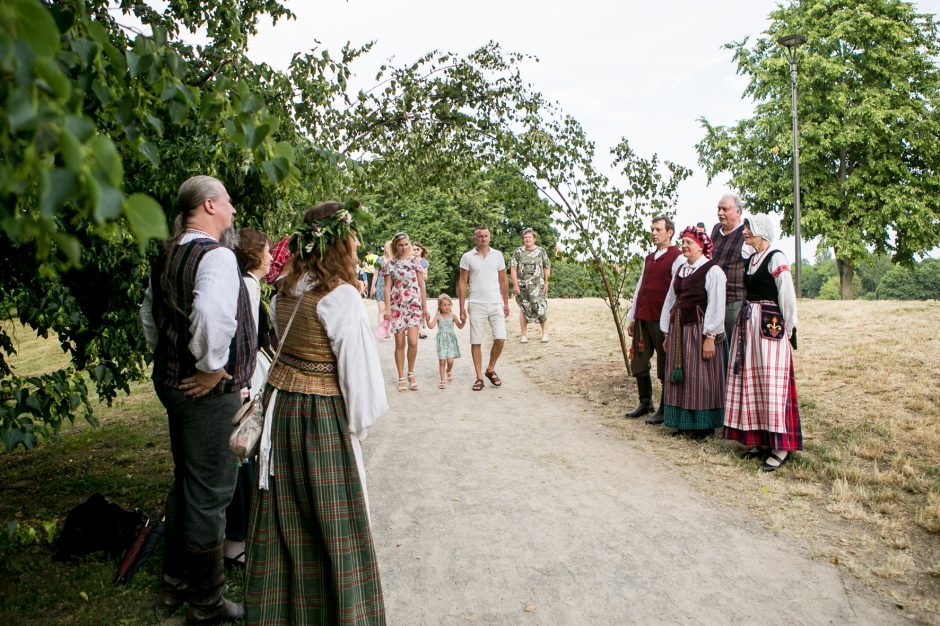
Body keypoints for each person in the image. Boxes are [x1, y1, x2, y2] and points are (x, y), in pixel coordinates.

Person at [245, 201, 387, 624]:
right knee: (333, 522)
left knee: (289, 520)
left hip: (282, 412)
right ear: (339, 241)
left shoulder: (285, 290)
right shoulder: (340, 297)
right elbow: (361, 387)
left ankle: (285, 612)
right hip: (320, 420)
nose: (358, 242)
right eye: (354, 235)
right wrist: (356, 431)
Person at [140, 175, 255, 623]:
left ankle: (175, 584)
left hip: (172, 386)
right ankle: (206, 603)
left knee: (187, 482)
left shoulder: (166, 252)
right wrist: (209, 368)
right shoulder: (217, 256)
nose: (231, 210)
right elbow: (211, 316)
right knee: (210, 492)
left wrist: (169, 359)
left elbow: (149, 318)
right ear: (208, 206)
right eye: (226, 202)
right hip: (205, 393)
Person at [723, 215, 801, 472]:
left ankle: (780, 446)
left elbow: (786, 294)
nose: (744, 232)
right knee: (752, 382)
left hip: (769, 327)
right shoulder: (751, 259)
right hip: (749, 326)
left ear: (761, 232)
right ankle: (759, 439)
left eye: (748, 228)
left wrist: (790, 326)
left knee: (771, 382)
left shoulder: (776, 257)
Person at [224, 228, 273, 569]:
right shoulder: (250, 286)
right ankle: (237, 539)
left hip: (249, 371)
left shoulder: (246, 283)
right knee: (245, 449)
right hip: (247, 375)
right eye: (268, 251)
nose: (272, 258)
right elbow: (246, 336)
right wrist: (246, 384)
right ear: (256, 256)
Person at [660, 227, 727, 440]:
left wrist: (710, 336)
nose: (685, 246)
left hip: (699, 330)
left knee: (700, 376)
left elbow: (717, 304)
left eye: (689, 243)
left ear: (701, 246)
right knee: (681, 375)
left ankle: (703, 426)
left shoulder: (712, 270)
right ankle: (682, 422)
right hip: (679, 329)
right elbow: (671, 300)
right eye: (684, 243)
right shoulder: (682, 269)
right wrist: (666, 332)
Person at [624, 216, 682, 424]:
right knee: (638, 360)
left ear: (670, 232)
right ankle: (645, 402)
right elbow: (641, 286)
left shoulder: (678, 257)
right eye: (652, 229)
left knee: (665, 363)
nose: (654, 233)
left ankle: (665, 408)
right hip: (643, 317)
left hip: (662, 319)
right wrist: (632, 316)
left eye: (658, 229)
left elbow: (676, 289)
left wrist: (670, 320)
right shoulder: (649, 258)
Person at [458, 226, 510, 391]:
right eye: (480, 236)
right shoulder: (467, 257)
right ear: (475, 238)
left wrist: (506, 303)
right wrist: (461, 307)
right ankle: (479, 377)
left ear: (490, 237)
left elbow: (503, 280)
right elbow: (462, 282)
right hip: (476, 303)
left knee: (500, 338)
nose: (483, 238)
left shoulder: (498, 255)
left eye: (486, 235)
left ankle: (490, 369)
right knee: (476, 341)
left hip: (495, 303)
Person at [383, 233, 429, 391]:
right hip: (397, 308)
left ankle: (411, 373)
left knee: (413, 342)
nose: (403, 247)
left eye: (405, 244)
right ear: (395, 246)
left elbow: (422, 286)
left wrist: (425, 308)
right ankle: (401, 377)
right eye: (400, 244)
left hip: (414, 306)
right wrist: (387, 309)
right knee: (400, 343)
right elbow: (387, 287)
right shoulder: (390, 264)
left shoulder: (415, 262)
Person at [710, 194, 748, 340]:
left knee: (734, 345)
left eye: (725, 209)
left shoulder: (746, 233)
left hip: (734, 301)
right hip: (713, 299)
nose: (720, 213)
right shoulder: (715, 229)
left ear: (738, 211)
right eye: (719, 209)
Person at [510, 228, 551, 343]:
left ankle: (545, 334)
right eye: (525, 237)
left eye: (529, 237)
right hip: (522, 286)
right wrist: (515, 285)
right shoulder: (518, 252)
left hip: (538, 286)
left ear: (534, 239)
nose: (527, 239)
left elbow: (547, 268)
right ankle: (523, 335)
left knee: (540, 307)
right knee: (524, 308)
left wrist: (548, 283)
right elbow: (513, 269)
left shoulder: (541, 251)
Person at [426, 293, 465, 388]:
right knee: (442, 361)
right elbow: (431, 326)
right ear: (440, 306)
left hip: (451, 341)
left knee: (450, 361)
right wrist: (427, 320)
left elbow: (460, 326)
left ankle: (448, 370)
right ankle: (442, 380)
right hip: (441, 341)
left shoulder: (453, 316)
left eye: (448, 304)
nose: (447, 307)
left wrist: (463, 321)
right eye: (444, 305)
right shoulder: (438, 316)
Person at [369, 242, 391, 328]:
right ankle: (382, 328)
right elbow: (375, 274)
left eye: (390, 247)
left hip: (390, 285)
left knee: (388, 309)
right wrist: (372, 287)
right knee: (381, 309)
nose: (388, 249)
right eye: (386, 247)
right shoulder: (379, 259)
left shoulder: (395, 260)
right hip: (380, 284)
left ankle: (387, 327)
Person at [412, 242, 430, 339]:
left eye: (417, 249)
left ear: (421, 250)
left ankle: (421, 329)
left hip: (420, 286)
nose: (415, 251)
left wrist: (419, 270)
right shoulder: (409, 260)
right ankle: (412, 328)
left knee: (421, 307)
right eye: (413, 249)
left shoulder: (424, 262)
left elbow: (426, 277)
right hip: (410, 286)